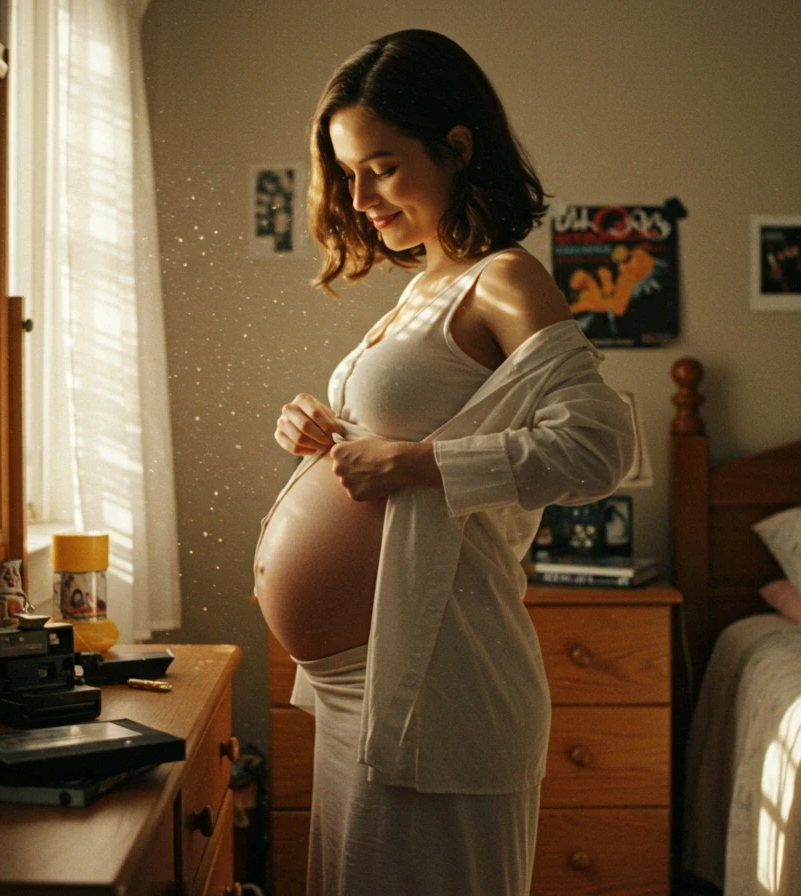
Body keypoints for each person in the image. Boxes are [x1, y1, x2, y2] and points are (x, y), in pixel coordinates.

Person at [252, 30, 635, 896]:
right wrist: (318, 428)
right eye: (349, 172)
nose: (360, 195)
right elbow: (386, 443)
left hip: (444, 687)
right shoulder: (422, 286)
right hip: (365, 687)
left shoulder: (505, 279)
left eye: (381, 166)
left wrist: (419, 464)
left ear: (457, 147)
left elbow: (599, 445)